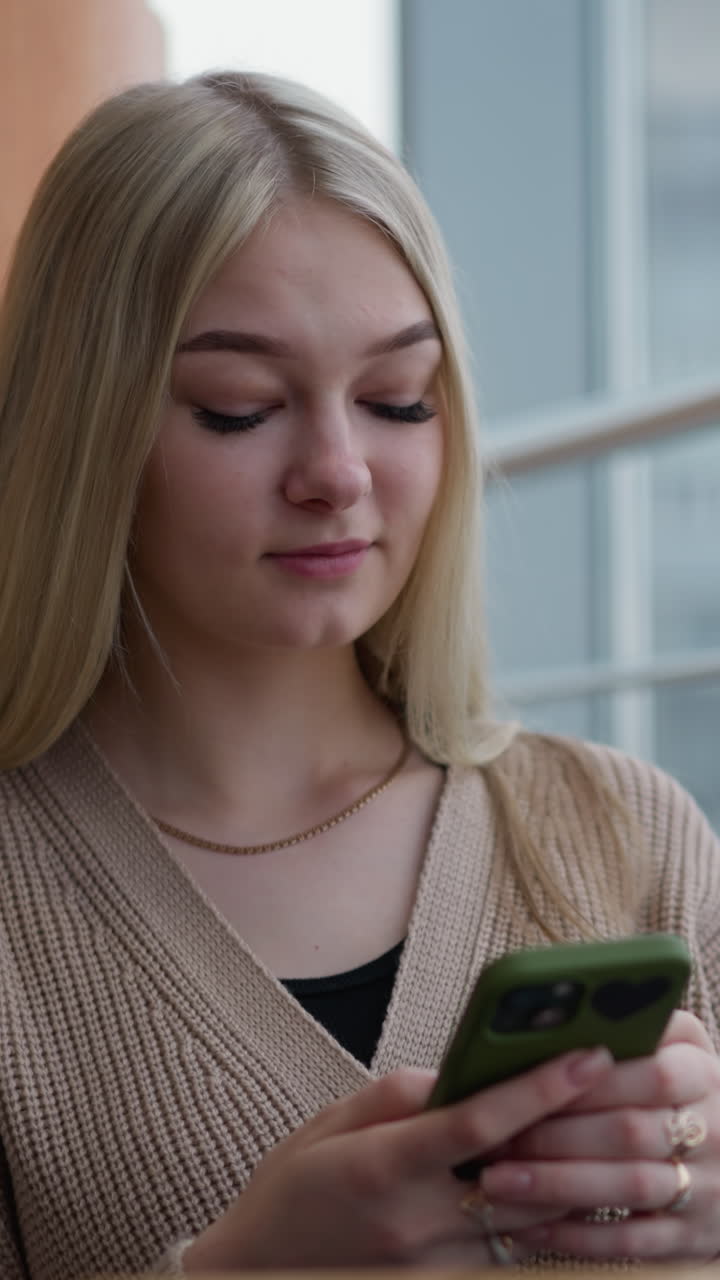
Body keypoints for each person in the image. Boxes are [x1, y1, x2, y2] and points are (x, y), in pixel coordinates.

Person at [0, 69, 719, 1280]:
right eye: (237, 407)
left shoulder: (628, 830)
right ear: (85, 427)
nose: (339, 470)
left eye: (398, 397)